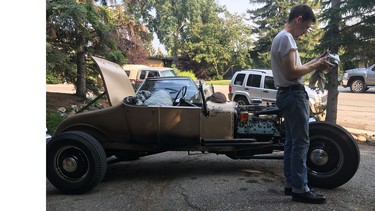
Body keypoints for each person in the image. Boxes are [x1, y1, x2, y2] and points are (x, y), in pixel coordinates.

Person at [270, 4, 333, 204]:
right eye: (306, 28)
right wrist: (317, 65)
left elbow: (295, 68)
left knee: (291, 142)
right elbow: (292, 73)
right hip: (293, 95)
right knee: (301, 144)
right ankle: (300, 188)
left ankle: (291, 184)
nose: (305, 33)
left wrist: (317, 60)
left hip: (286, 95)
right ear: (298, 19)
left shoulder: (281, 37)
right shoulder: (287, 38)